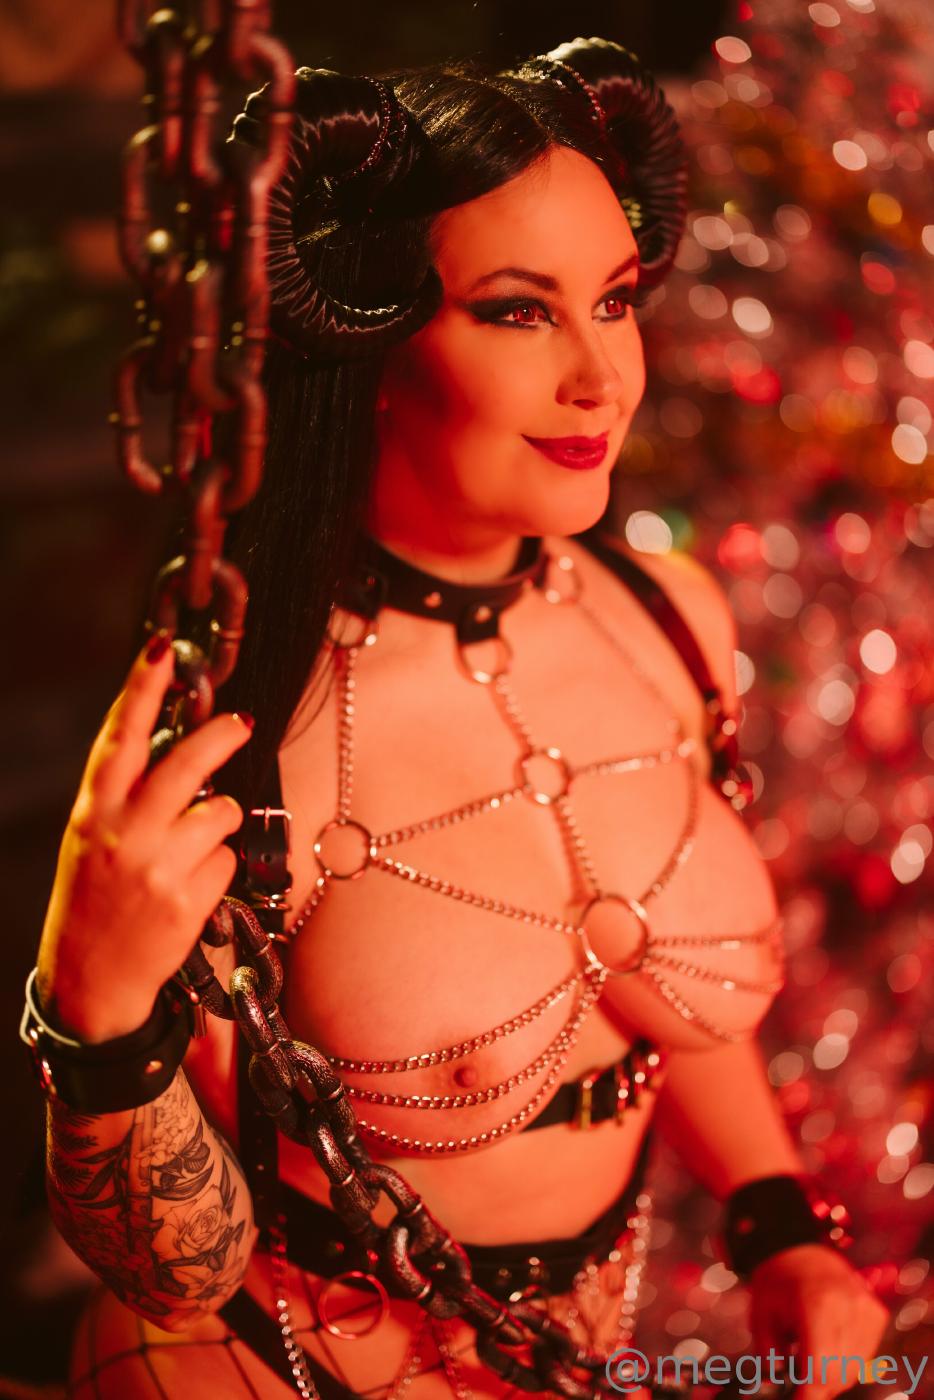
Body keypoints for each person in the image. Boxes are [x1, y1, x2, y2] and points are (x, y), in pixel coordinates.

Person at [25, 36, 889, 1400]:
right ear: (367, 340)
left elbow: (667, 1007)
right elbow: (176, 1278)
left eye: (613, 300)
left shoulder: (670, 621)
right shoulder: (240, 724)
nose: (602, 376)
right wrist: (97, 1019)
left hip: (578, 1362)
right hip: (285, 1367)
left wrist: (775, 1221)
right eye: (516, 312)